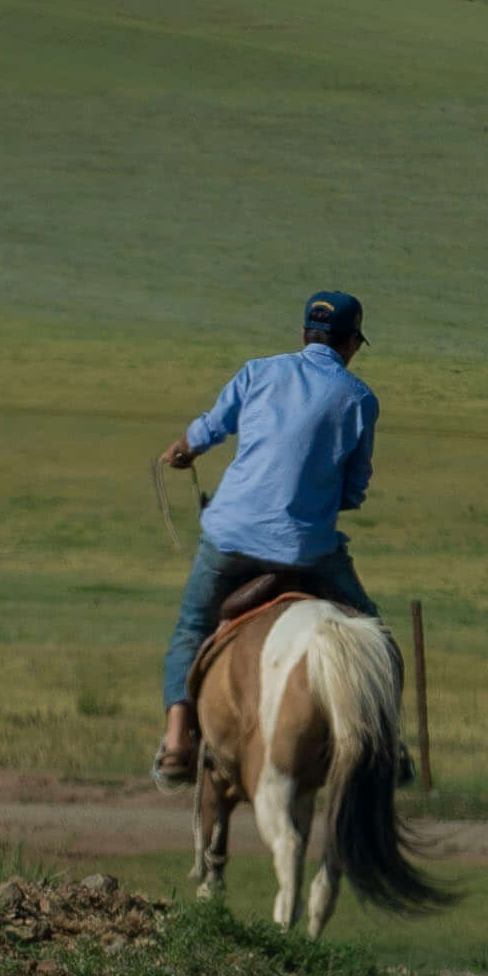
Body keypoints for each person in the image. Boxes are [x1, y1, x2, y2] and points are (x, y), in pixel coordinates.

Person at [153, 290, 380, 787]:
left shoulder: (257, 372)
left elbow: (212, 428)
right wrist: (319, 497)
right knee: (370, 632)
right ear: (350, 345)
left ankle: (175, 742)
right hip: (307, 551)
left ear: (304, 336)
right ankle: (387, 745)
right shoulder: (360, 398)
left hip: (230, 538)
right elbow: (356, 487)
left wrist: (184, 451)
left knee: (192, 627)